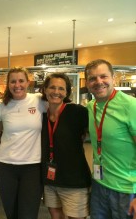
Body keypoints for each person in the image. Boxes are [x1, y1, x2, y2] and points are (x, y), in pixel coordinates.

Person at [85, 59, 136, 219]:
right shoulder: (90, 107)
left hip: (127, 189)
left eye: (103, 76)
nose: (98, 82)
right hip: (99, 185)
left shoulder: (130, 106)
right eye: (93, 78)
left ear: (113, 78)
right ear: (87, 83)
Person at [0, 67, 46, 219]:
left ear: (28, 82)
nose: (17, 85)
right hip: (5, 166)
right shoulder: (1, 106)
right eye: (13, 81)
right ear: (8, 84)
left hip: (32, 167)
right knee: (11, 212)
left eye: (21, 81)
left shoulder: (38, 100)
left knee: (28, 213)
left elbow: (58, 107)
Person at [41, 73, 91, 219]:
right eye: (52, 87)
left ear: (67, 92)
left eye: (61, 89)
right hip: (50, 179)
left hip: (75, 180)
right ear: (45, 89)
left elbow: (95, 131)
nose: (56, 92)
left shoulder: (77, 112)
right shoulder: (41, 115)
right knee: (55, 215)